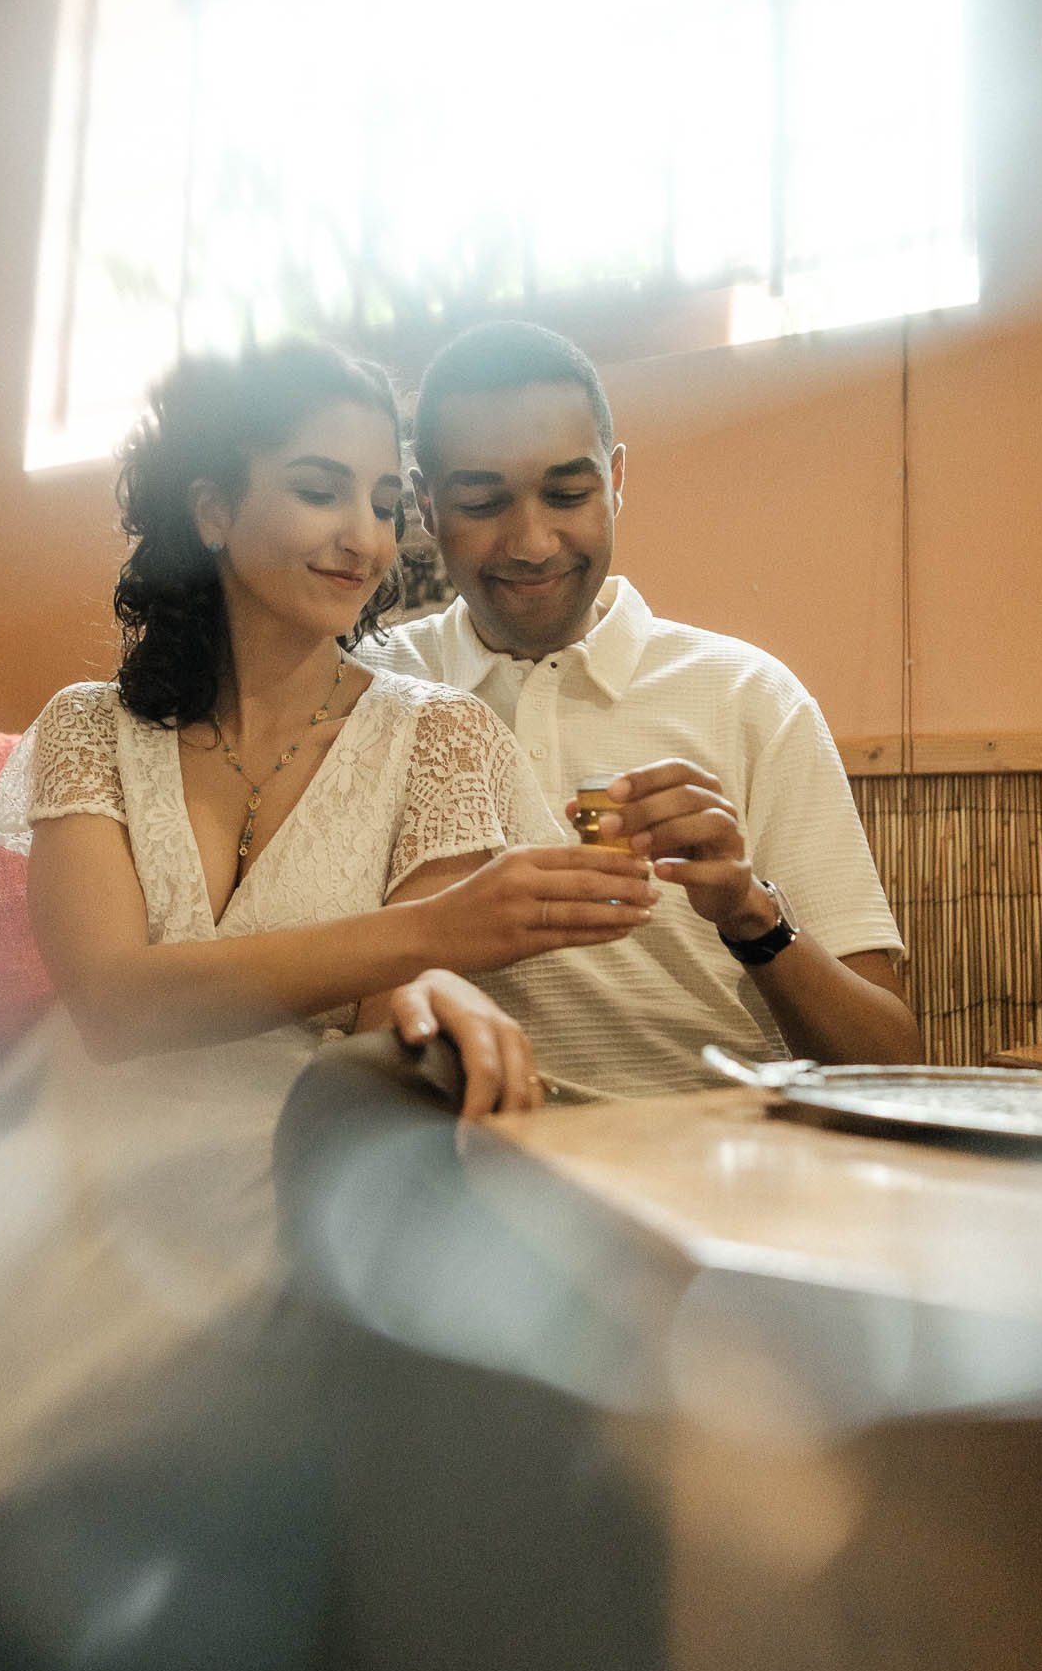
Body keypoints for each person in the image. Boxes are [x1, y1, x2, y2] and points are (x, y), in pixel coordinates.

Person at [0, 340, 656, 1671]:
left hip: (275, 1138)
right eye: (319, 488)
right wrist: (435, 932)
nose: (364, 534)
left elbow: (382, 1006)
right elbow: (117, 999)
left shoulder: (441, 738)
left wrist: (436, 986)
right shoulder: (91, 731)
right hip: (68, 1113)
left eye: (382, 498)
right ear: (208, 508)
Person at [363, 320, 918, 1098]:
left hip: (712, 1167)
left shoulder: (748, 695)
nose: (531, 542)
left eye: (567, 493)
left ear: (616, 480)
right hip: (464, 1166)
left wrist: (748, 913)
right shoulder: (365, 687)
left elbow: (889, 1060)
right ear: (424, 503)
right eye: (483, 500)